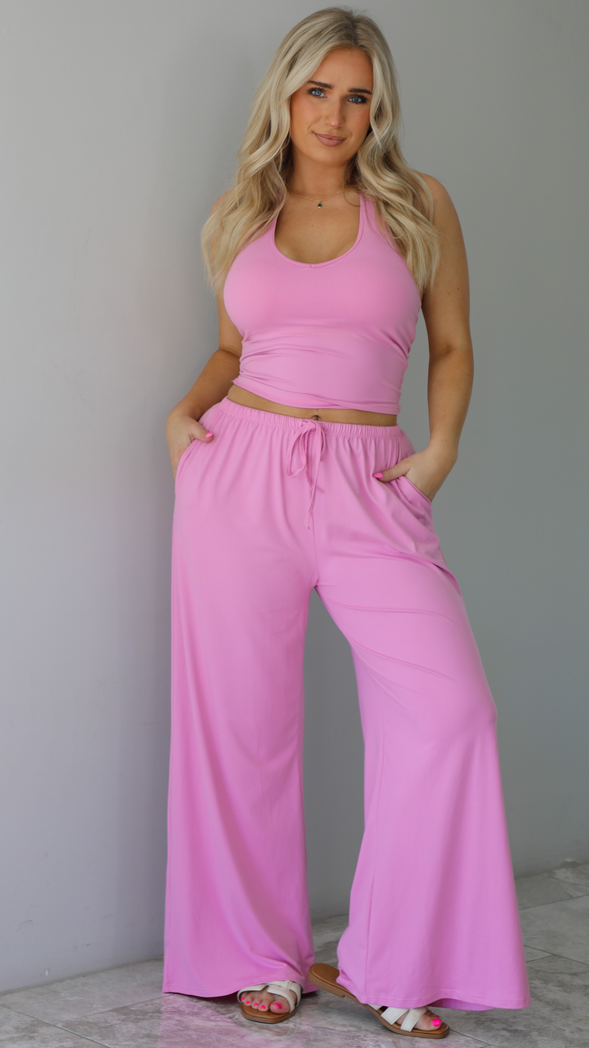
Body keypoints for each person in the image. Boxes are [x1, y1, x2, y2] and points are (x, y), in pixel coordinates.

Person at [162, 6, 531, 1039]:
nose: (335, 113)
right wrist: (184, 417)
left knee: (450, 710)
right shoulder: (242, 210)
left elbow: (451, 344)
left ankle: (393, 959)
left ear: (379, 108)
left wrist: (441, 450)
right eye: (317, 90)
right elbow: (234, 351)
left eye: (357, 95)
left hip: (371, 479)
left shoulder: (417, 204)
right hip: (242, 477)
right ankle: (256, 956)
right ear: (285, 95)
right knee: (240, 729)